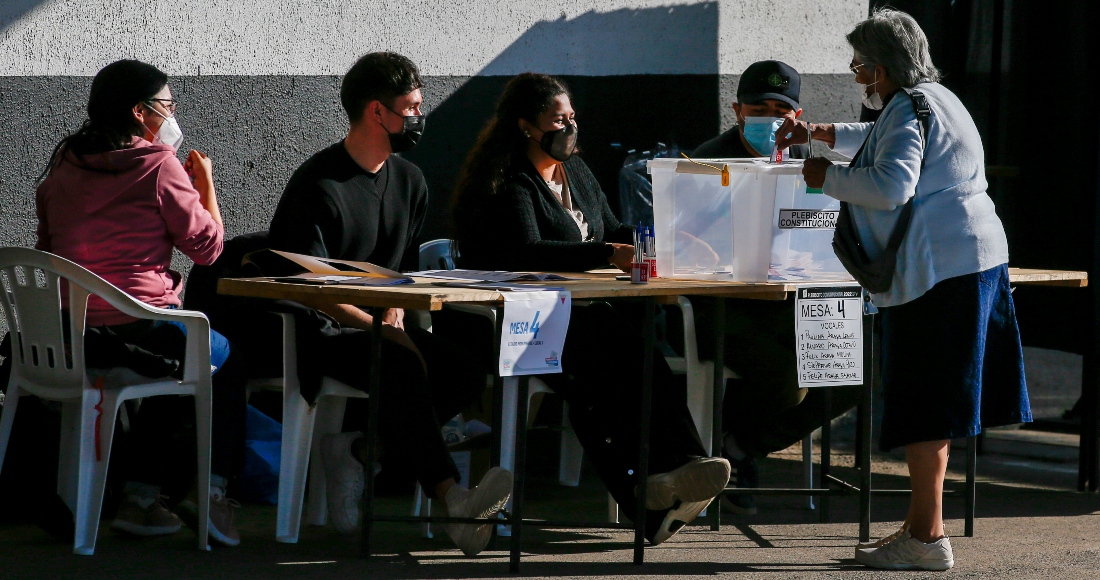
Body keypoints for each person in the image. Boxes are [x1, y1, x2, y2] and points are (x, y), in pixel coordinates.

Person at [775, 8, 1029, 571]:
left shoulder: (909, 106)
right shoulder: (937, 99)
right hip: (973, 259)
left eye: (861, 66)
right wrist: (821, 133)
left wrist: (825, 177)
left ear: (883, 67)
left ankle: (928, 538)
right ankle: (924, 529)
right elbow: (880, 136)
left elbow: (891, 185)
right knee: (933, 405)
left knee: (925, 404)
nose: (859, 76)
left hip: (941, 269)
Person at [451, 72, 732, 545]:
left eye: (572, 117)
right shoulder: (509, 180)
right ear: (525, 126)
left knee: (613, 374)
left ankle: (668, 479)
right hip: (527, 322)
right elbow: (527, 251)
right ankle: (666, 476)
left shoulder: (576, 172)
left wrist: (660, 242)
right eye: (557, 120)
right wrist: (604, 253)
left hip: (586, 317)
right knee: (614, 358)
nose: (568, 128)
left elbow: (612, 227)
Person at [266, 52, 510, 557]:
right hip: (324, 334)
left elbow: (394, 276)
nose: (419, 118)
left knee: (462, 371)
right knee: (399, 361)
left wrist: (394, 318)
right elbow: (311, 289)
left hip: (380, 324)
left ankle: (359, 449)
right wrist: (386, 331)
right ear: (378, 112)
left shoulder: (409, 182)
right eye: (412, 108)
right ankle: (454, 500)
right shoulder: (318, 184)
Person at [33, 59, 245, 546]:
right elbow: (208, 249)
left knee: (179, 347)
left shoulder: (64, 163)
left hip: (69, 339)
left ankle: (143, 500)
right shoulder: (158, 166)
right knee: (220, 356)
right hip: (139, 333)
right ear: (139, 111)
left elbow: (46, 246)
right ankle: (208, 494)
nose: (172, 115)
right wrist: (205, 182)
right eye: (167, 106)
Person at [690, 60, 862, 517]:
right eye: (757, 107)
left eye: (780, 110)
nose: (770, 118)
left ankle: (742, 446)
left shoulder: (813, 162)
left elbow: (831, 228)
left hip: (794, 303)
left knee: (858, 367)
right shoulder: (710, 160)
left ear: (798, 116)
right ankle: (728, 454)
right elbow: (683, 241)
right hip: (722, 306)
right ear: (737, 109)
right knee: (785, 372)